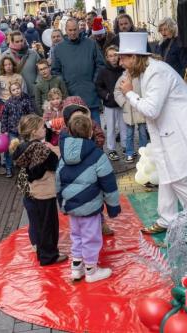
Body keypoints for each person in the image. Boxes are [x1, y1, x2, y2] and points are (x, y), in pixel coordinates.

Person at [118, 32, 187, 242]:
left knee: (178, 179)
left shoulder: (157, 72)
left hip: (180, 131)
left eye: (124, 57)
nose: (121, 62)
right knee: (167, 174)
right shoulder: (148, 71)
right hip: (169, 131)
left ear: (135, 57)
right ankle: (166, 218)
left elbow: (151, 109)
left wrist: (129, 93)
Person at [56, 114, 121, 282]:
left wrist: (62, 202)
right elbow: (109, 184)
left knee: (76, 236)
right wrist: (113, 207)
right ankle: (91, 271)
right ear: (91, 132)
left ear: (69, 131)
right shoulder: (97, 155)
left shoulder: (63, 155)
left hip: (72, 207)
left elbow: (58, 180)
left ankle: (76, 268)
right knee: (91, 238)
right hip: (90, 206)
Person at [10, 114, 67, 266]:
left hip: (32, 192)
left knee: (39, 224)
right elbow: (54, 162)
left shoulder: (22, 147)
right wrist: (52, 150)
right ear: (34, 131)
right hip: (44, 191)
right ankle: (49, 256)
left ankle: (42, 252)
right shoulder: (39, 148)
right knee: (49, 224)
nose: (45, 128)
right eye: (42, 127)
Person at [52, 18, 105, 126]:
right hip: (70, 94)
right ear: (66, 30)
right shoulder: (59, 49)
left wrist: (93, 82)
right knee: (76, 130)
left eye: (75, 29)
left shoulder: (91, 44)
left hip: (90, 93)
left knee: (95, 129)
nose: (73, 32)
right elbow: (56, 71)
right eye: (70, 30)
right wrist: (64, 87)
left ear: (79, 29)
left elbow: (100, 64)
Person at [96, 45, 126, 161]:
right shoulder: (103, 71)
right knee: (111, 127)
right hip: (110, 104)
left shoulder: (123, 69)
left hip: (122, 103)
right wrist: (106, 95)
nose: (113, 58)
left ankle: (125, 146)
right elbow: (99, 86)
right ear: (107, 58)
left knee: (124, 126)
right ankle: (111, 149)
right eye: (110, 56)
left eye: (115, 55)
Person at [1, 81, 36, 178]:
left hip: (24, 130)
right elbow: (4, 116)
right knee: (10, 149)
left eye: (18, 89)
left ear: (21, 89)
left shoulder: (26, 100)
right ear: (10, 92)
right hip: (12, 131)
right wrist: (4, 130)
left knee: (25, 148)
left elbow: (31, 113)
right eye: (13, 90)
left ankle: (25, 167)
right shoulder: (8, 103)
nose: (16, 91)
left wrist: (31, 125)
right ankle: (9, 167)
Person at [0, 31, 41, 101]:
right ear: (12, 42)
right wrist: (6, 90)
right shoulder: (5, 55)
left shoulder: (33, 53)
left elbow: (40, 69)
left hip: (32, 92)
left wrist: (37, 83)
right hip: (14, 97)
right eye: (17, 41)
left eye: (21, 40)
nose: (20, 43)